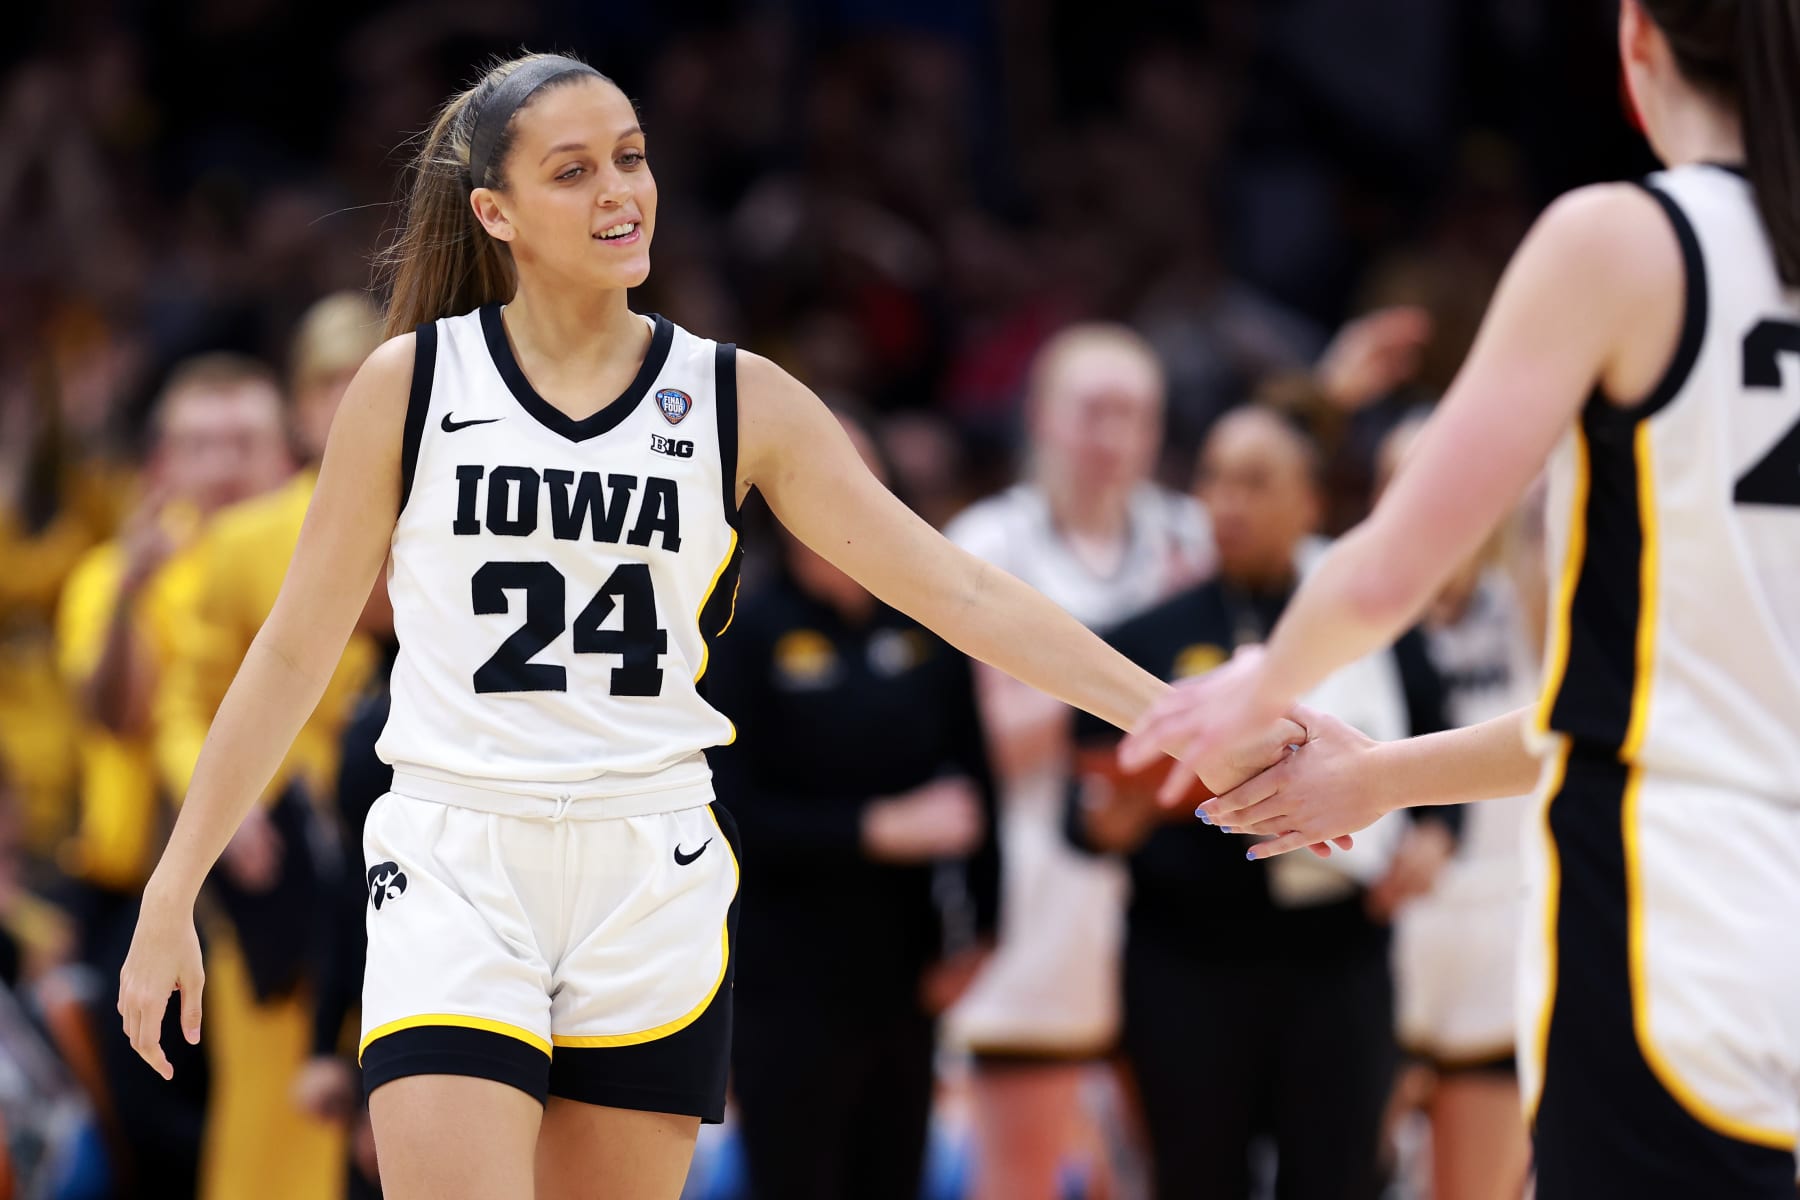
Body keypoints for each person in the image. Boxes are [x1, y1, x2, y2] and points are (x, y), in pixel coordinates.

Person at [115, 54, 1310, 1200]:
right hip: (456, 852)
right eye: (573, 170)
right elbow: (291, 651)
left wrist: (1181, 720)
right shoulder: (410, 385)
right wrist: (174, 889)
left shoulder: (737, 397)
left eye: (630, 158)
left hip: (652, 869)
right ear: (495, 212)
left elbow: (958, 590)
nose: (619, 190)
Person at [1125, 3, 1800, 1195]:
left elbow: (1392, 565)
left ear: (1637, 41)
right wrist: (1382, 776)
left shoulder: (1622, 239)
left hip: (1681, 924)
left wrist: (1260, 684)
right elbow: (1657, 705)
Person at [1071, 407, 1447, 1200]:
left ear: (1310, 502)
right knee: (1195, 1180)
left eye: (1254, 482)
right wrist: (1105, 823)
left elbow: (1438, 738)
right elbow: (1086, 805)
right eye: (1213, 479)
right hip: (1187, 962)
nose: (1227, 502)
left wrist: (1437, 837)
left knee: (1340, 1181)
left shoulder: (1372, 624)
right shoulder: (1143, 637)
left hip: (1339, 957)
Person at [940, 324, 1213, 1200]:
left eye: (1135, 414)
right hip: (1039, 889)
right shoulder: (987, 541)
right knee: (1021, 1172)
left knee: (1177, 1165)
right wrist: (1142, 683)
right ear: (1041, 417)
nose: (1114, 436)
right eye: (1093, 411)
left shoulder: (1193, 536)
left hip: (1178, 888)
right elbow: (976, 729)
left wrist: (1066, 690)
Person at [707, 411, 998, 1200]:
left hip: (906, 968)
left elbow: (978, 783)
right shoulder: (741, 628)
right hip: (782, 974)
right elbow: (726, 813)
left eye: (862, 473)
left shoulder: (928, 622)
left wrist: (985, 926)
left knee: (896, 1175)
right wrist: (874, 829)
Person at [149, 292, 383, 1200]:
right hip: (280, 865)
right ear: (300, 404)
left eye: (367, 378)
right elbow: (184, 703)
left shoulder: (453, 525)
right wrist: (225, 811)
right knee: (270, 1125)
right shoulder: (246, 540)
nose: (349, 400)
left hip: (414, 857)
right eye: (329, 383)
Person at [54, 352, 292, 1197]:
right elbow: (116, 714)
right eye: (199, 445)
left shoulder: (316, 566)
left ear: (286, 454)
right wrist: (132, 591)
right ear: (161, 462)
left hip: (285, 892)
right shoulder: (117, 575)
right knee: (156, 1148)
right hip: (137, 895)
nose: (223, 466)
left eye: (244, 442)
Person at [1374, 416, 1538, 1200]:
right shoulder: (1344, 619)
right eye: (1405, 480)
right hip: (1381, 933)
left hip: (1502, 933)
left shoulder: (1530, 598)